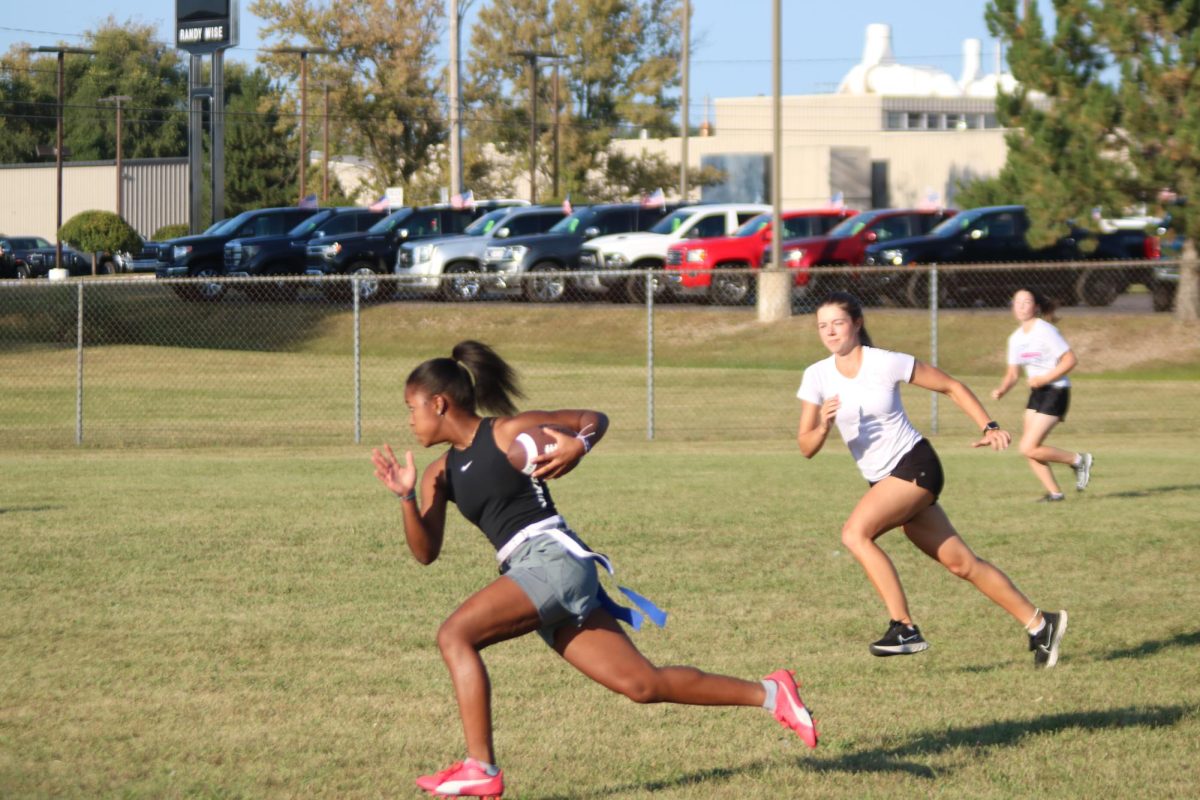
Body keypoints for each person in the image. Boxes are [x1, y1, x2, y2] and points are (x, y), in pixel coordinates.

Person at [372, 340, 817, 799]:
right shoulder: (437, 473)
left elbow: (592, 417)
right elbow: (426, 552)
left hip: (553, 560)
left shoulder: (507, 432)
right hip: (533, 572)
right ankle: (770, 692)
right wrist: (406, 497)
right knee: (643, 684)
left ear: (439, 403)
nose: (409, 419)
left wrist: (578, 445)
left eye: (412, 407)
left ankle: (480, 767)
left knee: (454, 636)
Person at [795, 293, 1067, 667]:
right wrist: (823, 426)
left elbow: (951, 386)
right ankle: (1040, 624)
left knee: (854, 534)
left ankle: (903, 627)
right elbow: (805, 446)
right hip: (885, 480)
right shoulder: (816, 376)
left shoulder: (885, 362)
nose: (830, 331)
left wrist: (988, 425)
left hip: (915, 465)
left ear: (857, 323)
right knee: (962, 564)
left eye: (837, 323)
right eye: (822, 326)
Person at [991, 288, 1093, 502]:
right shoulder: (1016, 338)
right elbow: (1012, 374)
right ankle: (1055, 493)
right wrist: (1002, 389)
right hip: (1037, 393)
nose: (1020, 306)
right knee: (1031, 449)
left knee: (1027, 447)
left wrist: (1044, 379)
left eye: (1026, 302)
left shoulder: (1045, 330)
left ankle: (1078, 460)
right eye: (1016, 302)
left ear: (1036, 306)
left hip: (1056, 391)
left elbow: (1070, 360)